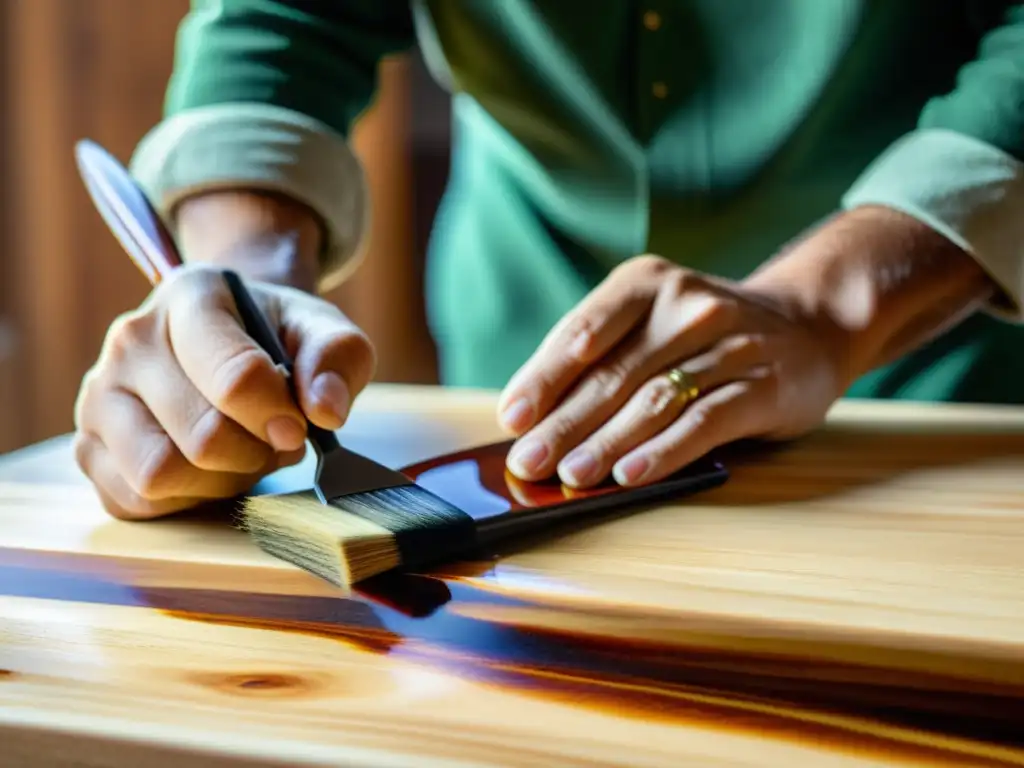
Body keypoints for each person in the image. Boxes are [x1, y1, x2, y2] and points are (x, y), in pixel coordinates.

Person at [75, 0, 1024, 521]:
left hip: (940, 389)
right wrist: (251, 282)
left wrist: (825, 307)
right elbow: (285, 21)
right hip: (514, 385)